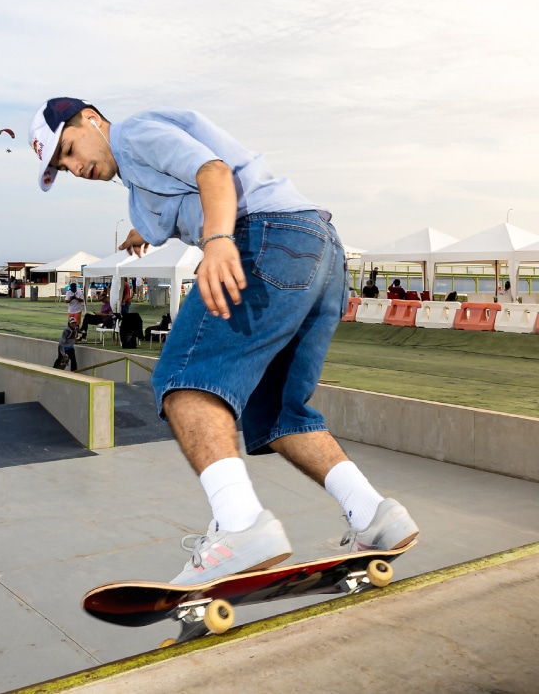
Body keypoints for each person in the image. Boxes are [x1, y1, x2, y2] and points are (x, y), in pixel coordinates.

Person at [29, 97, 417, 584]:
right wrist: (137, 231)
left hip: (266, 237)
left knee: (184, 381)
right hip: (317, 248)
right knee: (277, 413)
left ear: (90, 119)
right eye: (62, 167)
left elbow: (211, 171)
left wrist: (217, 242)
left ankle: (241, 527)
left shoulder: (132, 134)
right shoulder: (134, 179)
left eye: (67, 150)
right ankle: (375, 516)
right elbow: (177, 192)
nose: (74, 167)